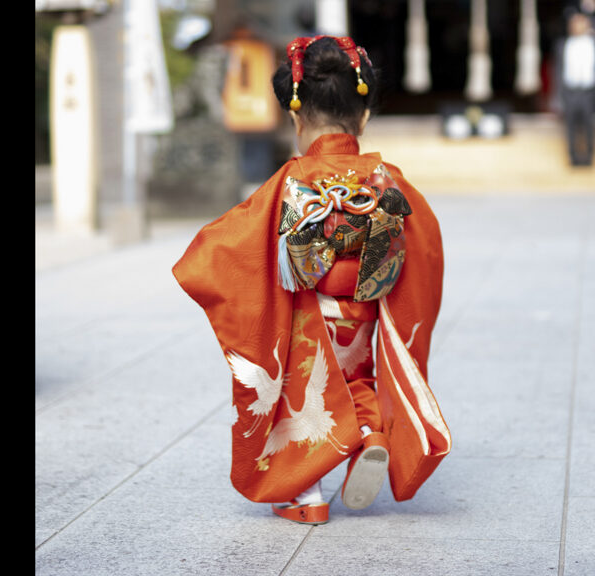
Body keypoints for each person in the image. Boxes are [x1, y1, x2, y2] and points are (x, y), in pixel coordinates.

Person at [172, 35, 451, 526]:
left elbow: (232, 242)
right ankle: (373, 438)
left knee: (299, 392)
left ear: (297, 119)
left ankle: (307, 493)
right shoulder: (389, 179)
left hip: (312, 317)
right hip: (365, 318)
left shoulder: (291, 178)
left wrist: (206, 263)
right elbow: (424, 242)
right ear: (363, 118)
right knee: (359, 379)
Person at [558, 12, 595, 167]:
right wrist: (561, 94)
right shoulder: (564, 45)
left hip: (588, 92)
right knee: (570, 128)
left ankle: (590, 158)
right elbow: (558, 70)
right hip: (570, 91)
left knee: (589, 126)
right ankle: (573, 158)